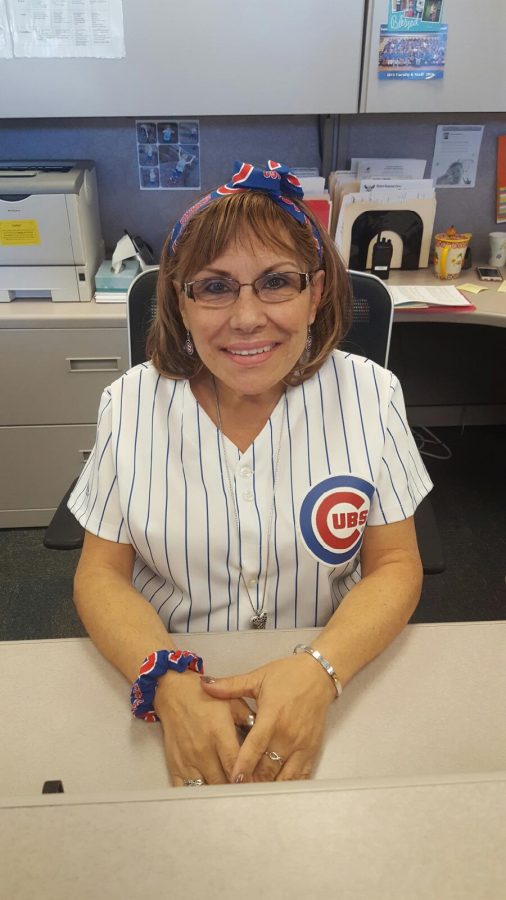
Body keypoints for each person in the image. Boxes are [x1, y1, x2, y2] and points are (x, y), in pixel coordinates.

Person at [69, 160, 432, 788]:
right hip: (175, 671)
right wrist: (164, 678)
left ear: (316, 293)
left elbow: (396, 564)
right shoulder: (129, 403)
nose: (245, 318)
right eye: (213, 287)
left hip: (332, 665)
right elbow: (100, 574)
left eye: (275, 283)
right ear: (179, 303)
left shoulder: (372, 395)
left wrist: (321, 669)